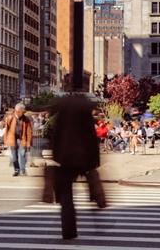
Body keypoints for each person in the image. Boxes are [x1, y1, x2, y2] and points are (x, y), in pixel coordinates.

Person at [49, 95, 104, 240]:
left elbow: (55, 137)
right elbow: (92, 139)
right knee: (93, 189)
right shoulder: (85, 116)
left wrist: (55, 156)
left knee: (66, 197)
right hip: (84, 159)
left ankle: (69, 230)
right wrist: (94, 162)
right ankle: (98, 216)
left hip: (65, 159)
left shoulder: (62, 116)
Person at [3, 103, 33, 177]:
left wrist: (29, 142)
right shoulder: (10, 118)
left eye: (23, 111)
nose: (23, 113)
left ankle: (22, 170)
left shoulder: (26, 119)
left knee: (22, 154)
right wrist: (6, 140)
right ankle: (16, 170)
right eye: (22, 111)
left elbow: (29, 131)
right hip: (13, 139)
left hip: (22, 139)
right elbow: (7, 129)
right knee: (14, 156)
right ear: (17, 111)